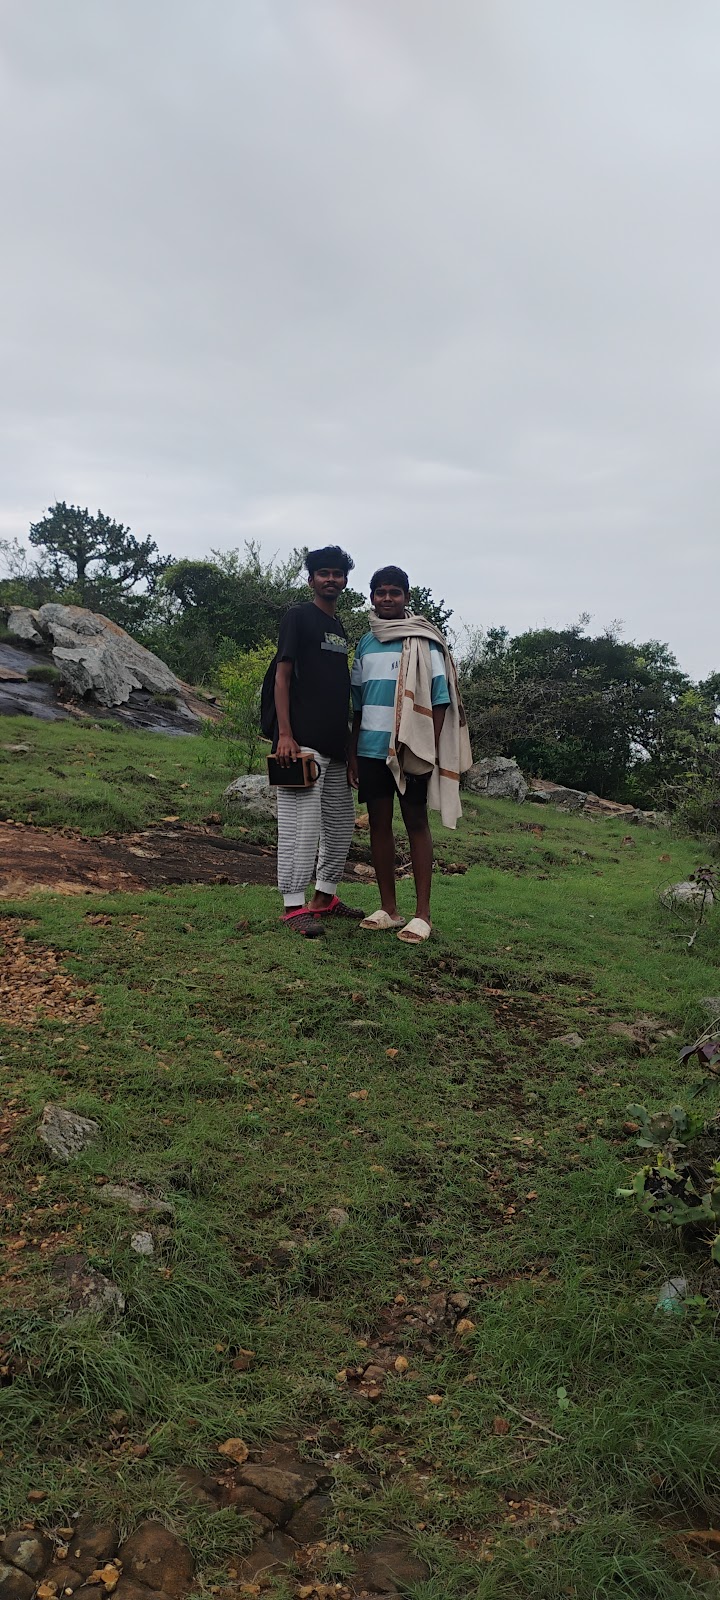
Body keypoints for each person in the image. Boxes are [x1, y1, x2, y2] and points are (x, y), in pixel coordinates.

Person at [348, 565, 472, 944]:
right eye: (380, 592)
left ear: (406, 597)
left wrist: (427, 749)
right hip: (371, 749)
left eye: (394, 592)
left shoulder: (424, 641)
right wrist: (353, 753)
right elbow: (358, 703)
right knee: (379, 824)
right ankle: (388, 908)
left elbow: (440, 699)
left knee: (416, 823)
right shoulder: (366, 643)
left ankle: (422, 915)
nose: (387, 598)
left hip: (411, 748)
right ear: (372, 597)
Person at [272, 545, 362, 937]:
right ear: (311, 579)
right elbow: (282, 676)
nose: (331, 579)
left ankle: (324, 897)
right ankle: (294, 906)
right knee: (301, 826)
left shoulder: (338, 626)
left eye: (337, 574)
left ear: (344, 581)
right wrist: (285, 734)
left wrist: (349, 748)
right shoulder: (298, 616)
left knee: (340, 824)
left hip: (334, 743)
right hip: (300, 743)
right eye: (323, 573)